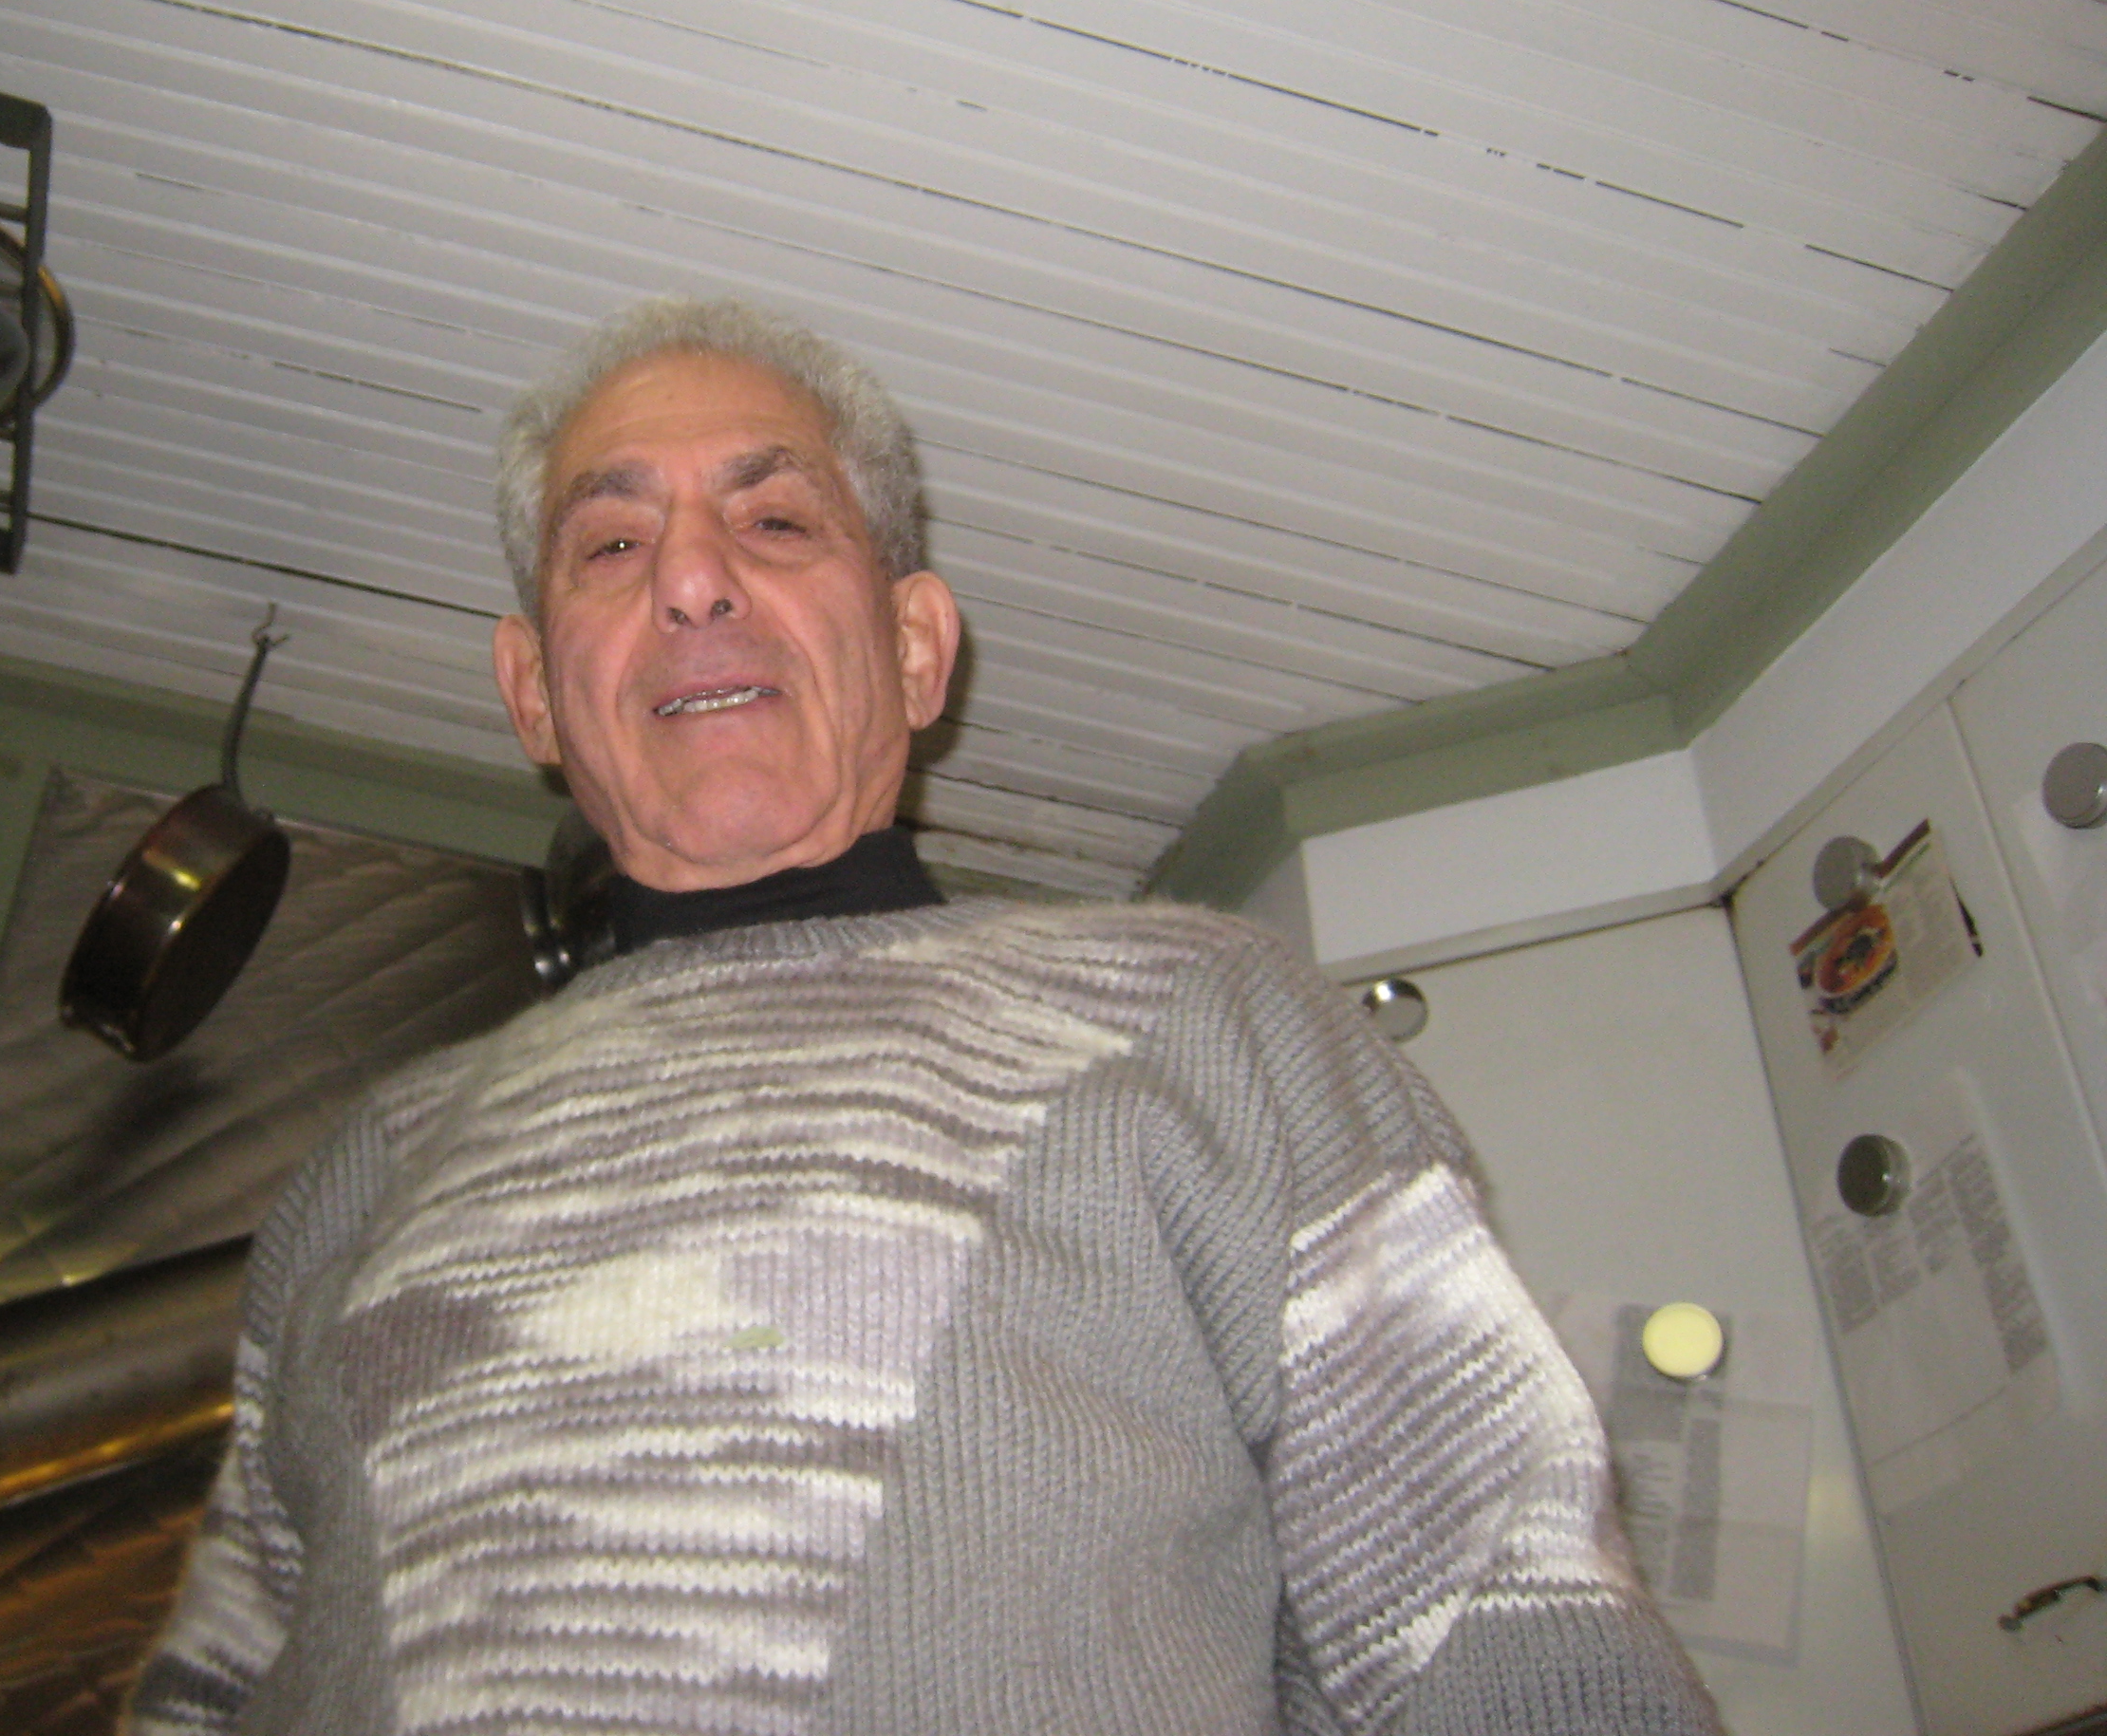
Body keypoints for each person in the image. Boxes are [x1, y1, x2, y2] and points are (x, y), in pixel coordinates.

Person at [134, 298, 1720, 1734]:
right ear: (535, 691)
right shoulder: (371, 1165)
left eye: (774, 520)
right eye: (608, 546)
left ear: (914, 648)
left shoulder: (1204, 1023)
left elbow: (1507, 1620)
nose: (691, 578)